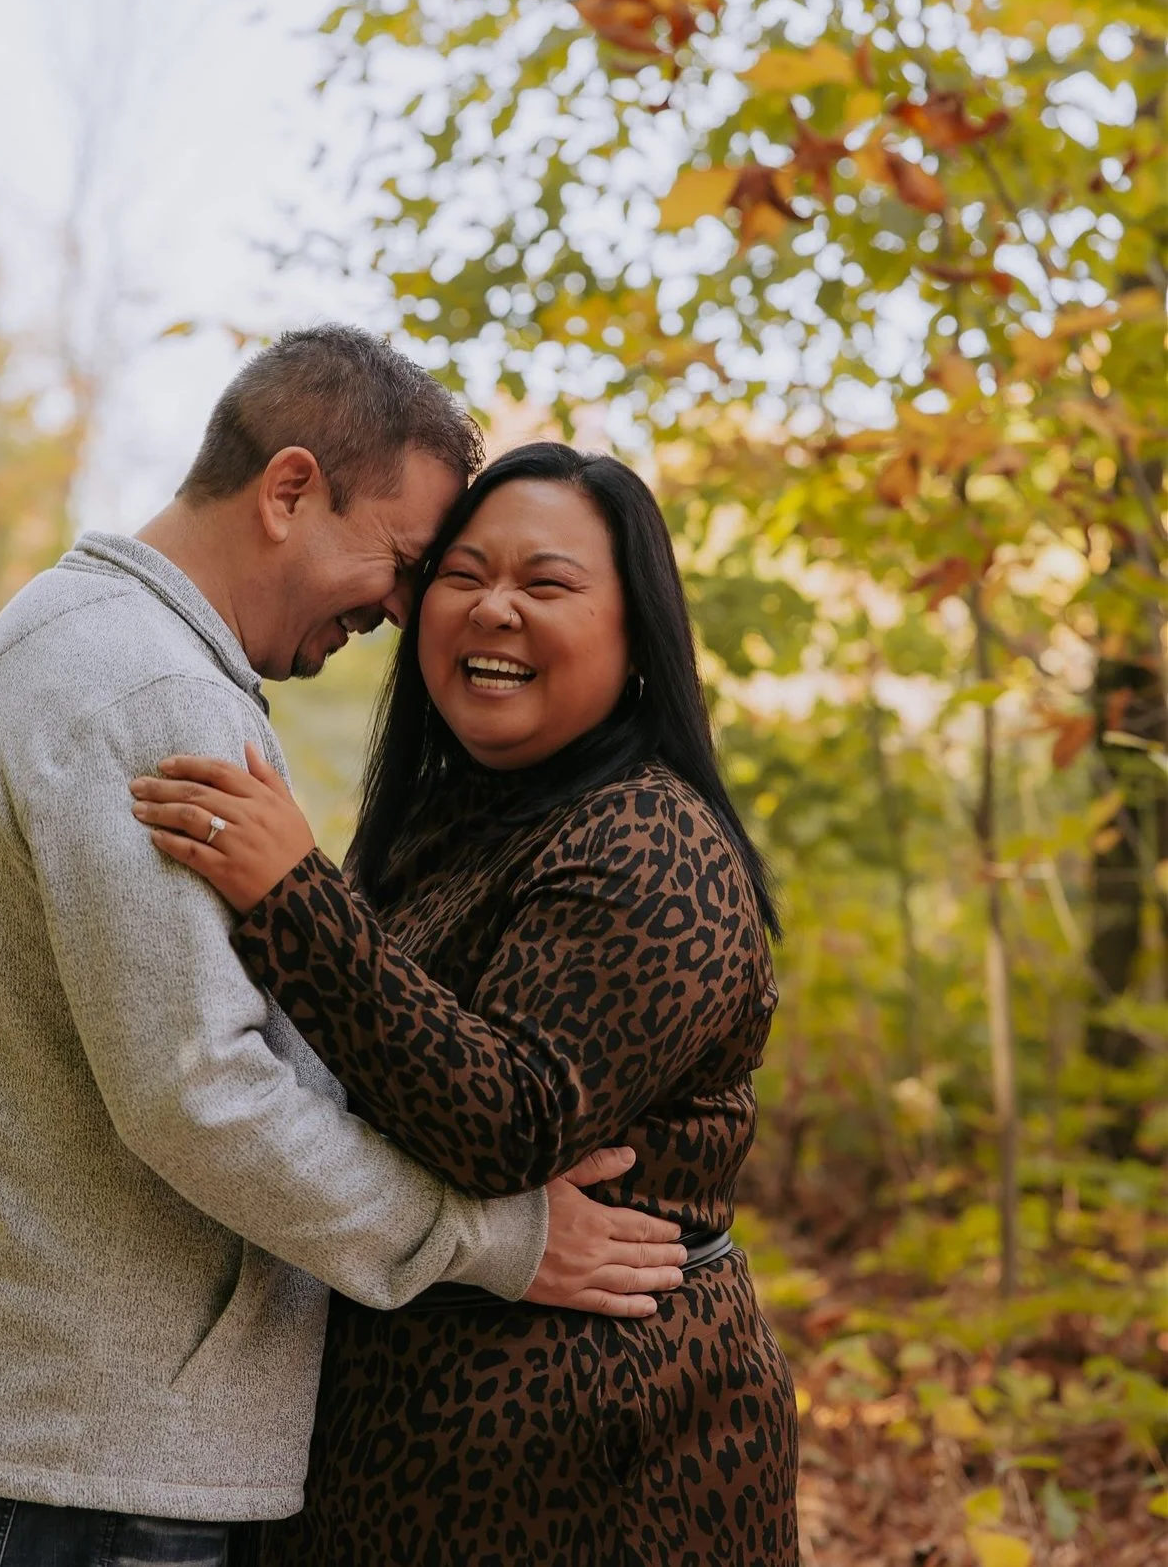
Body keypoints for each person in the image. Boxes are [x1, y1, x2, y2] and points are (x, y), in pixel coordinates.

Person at [0, 330, 688, 1567]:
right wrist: (496, 1239)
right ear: (289, 490)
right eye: (399, 561)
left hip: (14, 1411)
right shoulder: (155, 696)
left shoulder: (71, 617)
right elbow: (204, 1094)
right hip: (82, 1461)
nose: (400, 611)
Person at [133, 441, 800, 1567]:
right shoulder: (449, 822)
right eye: (461, 574)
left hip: (602, 1464)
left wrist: (292, 895)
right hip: (403, 1459)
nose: (494, 609)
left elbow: (508, 1120)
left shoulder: (651, 839)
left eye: (545, 584)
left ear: (637, 636)